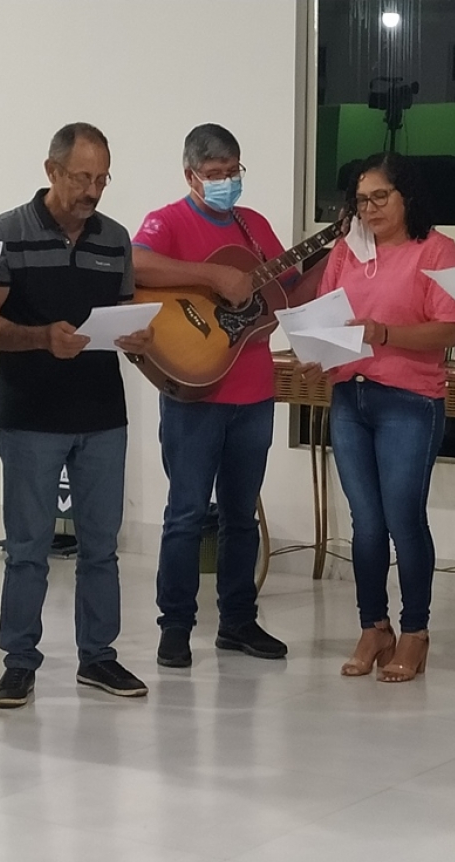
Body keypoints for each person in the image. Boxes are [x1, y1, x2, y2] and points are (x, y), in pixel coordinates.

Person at [0, 124, 152, 707]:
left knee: (101, 547)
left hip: (102, 414)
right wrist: (42, 337)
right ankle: (19, 662)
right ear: (51, 171)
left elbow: (124, 312)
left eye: (101, 179)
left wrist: (137, 338)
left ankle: (99, 657)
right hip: (31, 416)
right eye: (81, 178)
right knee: (27, 549)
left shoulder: (114, 239)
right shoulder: (7, 233)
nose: (92, 191)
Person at [132, 124, 324, 668]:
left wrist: (331, 263)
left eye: (233, 172)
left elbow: (288, 294)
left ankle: (238, 621)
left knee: (241, 515)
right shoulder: (167, 220)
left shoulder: (253, 225)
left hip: (253, 390)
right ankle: (175, 626)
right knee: (187, 512)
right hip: (195, 392)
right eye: (214, 174)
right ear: (190, 175)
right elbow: (134, 263)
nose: (226, 182)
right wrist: (213, 275)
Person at [300, 152, 455, 682]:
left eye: (380, 197)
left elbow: (449, 329)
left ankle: (415, 631)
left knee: (402, 518)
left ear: (406, 197)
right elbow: (326, 315)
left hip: (409, 401)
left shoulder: (436, 249)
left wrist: (384, 332)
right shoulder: (348, 251)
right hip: (351, 397)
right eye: (360, 201)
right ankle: (374, 626)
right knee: (365, 522)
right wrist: (314, 348)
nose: (369, 209)